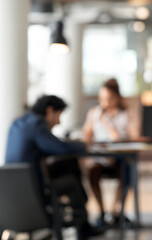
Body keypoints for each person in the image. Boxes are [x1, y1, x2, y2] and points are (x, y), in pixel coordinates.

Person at [5, 95, 102, 239]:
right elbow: (59, 147)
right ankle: (81, 226)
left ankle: (82, 225)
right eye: (58, 115)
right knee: (72, 180)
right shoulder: (37, 124)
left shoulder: (19, 122)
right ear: (49, 110)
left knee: (68, 166)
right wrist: (83, 145)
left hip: (12, 185)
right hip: (33, 187)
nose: (58, 121)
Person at [82, 78, 139, 226]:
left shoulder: (125, 114)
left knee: (126, 171)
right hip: (100, 159)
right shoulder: (94, 113)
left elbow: (134, 137)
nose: (105, 103)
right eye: (101, 99)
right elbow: (86, 136)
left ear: (117, 97)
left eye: (109, 99)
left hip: (120, 159)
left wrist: (108, 124)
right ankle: (101, 213)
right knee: (92, 172)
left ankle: (116, 212)